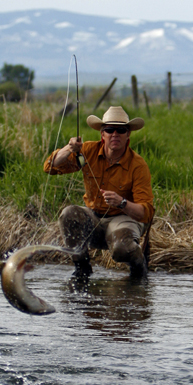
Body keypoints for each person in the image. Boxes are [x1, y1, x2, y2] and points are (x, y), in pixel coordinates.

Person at [43, 106, 154, 279]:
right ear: (102, 134)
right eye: (109, 130)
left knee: (121, 250)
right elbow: (50, 167)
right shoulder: (87, 151)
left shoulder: (138, 165)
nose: (115, 134)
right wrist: (69, 148)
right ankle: (82, 269)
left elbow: (145, 213)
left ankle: (139, 269)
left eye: (121, 130)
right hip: (94, 217)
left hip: (124, 218)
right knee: (68, 214)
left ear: (128, 135)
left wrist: (122, 202)